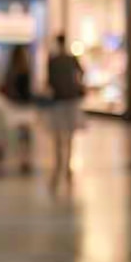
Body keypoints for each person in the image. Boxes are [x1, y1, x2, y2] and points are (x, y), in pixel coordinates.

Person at [48, 34, 85, 192]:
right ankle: (67, 165)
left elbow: (50, 80)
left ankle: (60, 163)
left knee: (58, 134)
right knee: (69, 134)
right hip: (70, 99)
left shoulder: (53, 60)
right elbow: (81, 72)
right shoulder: (70, 59)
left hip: (59, 100)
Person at [0, 45, 33, 173]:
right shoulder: (26, 71)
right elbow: (28, 92)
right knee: (24, 137)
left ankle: (8, 155)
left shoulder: (10, 72)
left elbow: (5, 89)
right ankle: (24, 160)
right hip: (24, 107)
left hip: (13, 106)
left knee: (13, 134)